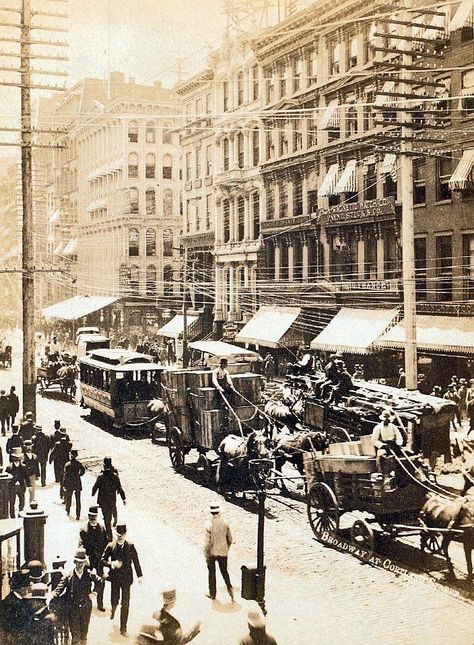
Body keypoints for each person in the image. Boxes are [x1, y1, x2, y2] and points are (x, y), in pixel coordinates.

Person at [50, 547, 102, 645]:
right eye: (78, 562)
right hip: (73, 609)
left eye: (82, 562)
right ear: (74, 562)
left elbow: (100, 581)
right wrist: (52, 597)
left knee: (84, 634)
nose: (80, 565)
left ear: (85, 562)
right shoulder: (69, 576)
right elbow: (59, 589)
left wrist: (94, 593)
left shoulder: (88, 574)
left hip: (86, 608)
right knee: (75, 635)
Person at [102, 524, 143, 637]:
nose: (120, 537)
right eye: (119, 535)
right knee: (114, 599)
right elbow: (103, 560)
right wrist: (111, 563)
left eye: (122, 535)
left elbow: (136, 561)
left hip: (126, 580)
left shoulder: (130, 546)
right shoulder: (111, 546)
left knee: (125, 603)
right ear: (116, 534)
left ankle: (123, 628)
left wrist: (140, 576)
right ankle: (113, 608)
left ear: (125, 534)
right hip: (115, 579)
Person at [79, 505, 107, 611]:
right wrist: (84, 557)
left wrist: (105, 557)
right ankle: (87, 600)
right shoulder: (84, 530)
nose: (93, 518)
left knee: (101, 580)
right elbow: (81, 544)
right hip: (89, 559)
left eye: (94, 516)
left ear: (97, 516)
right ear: (88, 516)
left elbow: (106, 543)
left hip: (99, 559)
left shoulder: (102, 528)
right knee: (87, 580)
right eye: (91, 516)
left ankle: (100, 603)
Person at [204, 502, 234, 602]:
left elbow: (208, 541)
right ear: (219, 511)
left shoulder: (208, 523)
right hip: (223, 551)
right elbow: (230, 538)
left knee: (212, 573)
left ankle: (212, 594)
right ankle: (230, 590)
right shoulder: (225, 522)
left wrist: (206, 552)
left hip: (212, 552)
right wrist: (226, 548)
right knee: (224, 572)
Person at [92, 457, 127, 541]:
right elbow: (120, 488)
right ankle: (113, 520)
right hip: (112, 500)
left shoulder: (100, 476)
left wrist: (93, 493)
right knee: (110, 514)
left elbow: (95, 487)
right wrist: (124, 499)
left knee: (106, 520)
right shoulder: (115, 476)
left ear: (104, 465)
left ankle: (110, 537)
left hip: (103, 502)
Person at [0, 570, 35, 644]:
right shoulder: (8, 603)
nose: (28, 590)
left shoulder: (19, 600)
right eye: (27, 587)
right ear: (22, 588)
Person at [371, 408, 404, 473]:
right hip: (383, 446)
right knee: (381, 455)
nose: (386, 420)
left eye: (387, 419)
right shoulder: (378, 427)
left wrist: (398, 443)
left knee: (401, 458)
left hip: (393, 445)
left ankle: (398, 474)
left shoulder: (393, 426)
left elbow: (399, 437)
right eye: (385, 419)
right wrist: (382, 445)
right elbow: (374, 440)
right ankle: (382, 473)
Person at [63, 449, 85, 520]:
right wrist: (79, 475)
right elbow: (83, 470)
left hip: (70, 483)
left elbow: (65, 476)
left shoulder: (67, 465)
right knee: (78, 500)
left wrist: (64, 484)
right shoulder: (78, 464)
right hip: (77, 483)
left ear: (71, 456)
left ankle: (68, 510)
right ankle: (78, 515)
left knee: (69, 498)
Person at [6, 449, 29, 517]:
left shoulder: (23, 467)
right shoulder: (9, 467)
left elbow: (26, 476)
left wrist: (29, 485)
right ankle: (12, 515)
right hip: (12, 487)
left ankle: (20, 514)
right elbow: (7, 479)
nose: (17, 459)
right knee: (12, 502)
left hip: (21, 486)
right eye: (15, 458)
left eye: (19, 458)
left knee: (22, 501)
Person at [49, 435, 71, 499]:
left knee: (62, 481)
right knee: (65, 480)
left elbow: (53, 453)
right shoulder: (68, 445)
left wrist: (51, 460)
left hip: (60, 465)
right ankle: (64, 494)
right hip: (66, 464)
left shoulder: (58, 445)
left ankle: (62, 494)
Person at [23, 440, 40, 504]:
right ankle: (23, 505)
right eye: (27, 447)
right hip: (24, 476)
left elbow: (37, 466)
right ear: (25, 447)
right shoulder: (22, 457)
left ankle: (31, 504)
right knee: (22, 492)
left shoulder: (34, 456)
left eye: (30, 447)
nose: (29, 448)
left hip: (32, 475)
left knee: (32, 492)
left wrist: (37, 475)